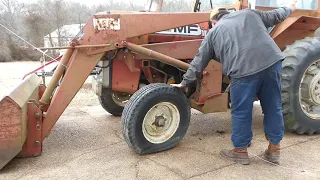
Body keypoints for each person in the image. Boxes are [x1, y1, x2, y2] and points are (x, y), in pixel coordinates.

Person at [171, 1, 298, 165]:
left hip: (243, 70)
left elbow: (199, 62)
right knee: (273, 106)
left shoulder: (214, 32)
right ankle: (274, 149)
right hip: (272, 63)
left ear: (214, 22)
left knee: (241, 111)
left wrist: (185, 82)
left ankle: (240, 151)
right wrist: (290, 8)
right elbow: (277, 15)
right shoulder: (250, 14)